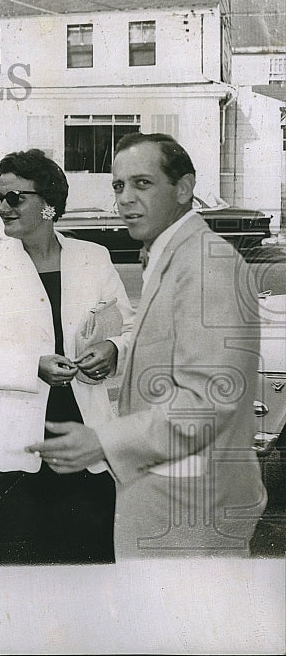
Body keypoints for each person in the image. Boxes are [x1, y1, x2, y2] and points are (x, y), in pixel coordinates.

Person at [27, 133, 267, 558]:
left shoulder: (206, 265)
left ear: (184, 187)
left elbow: (208, 400)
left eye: (142, 183)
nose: (125, 199)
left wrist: (104, 440)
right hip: (175, 504)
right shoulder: (170, 254)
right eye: (119, 186)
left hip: (193, 514)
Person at [0, 149, 134, 565]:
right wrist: (33, 367)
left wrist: (112, 349)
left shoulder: (93, 258)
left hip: (85, 446)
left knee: (88, 577)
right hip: (13, 453)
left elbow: (129, 328)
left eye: (16, 198)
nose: (3, 208)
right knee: (12, 582)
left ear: (49, 205)